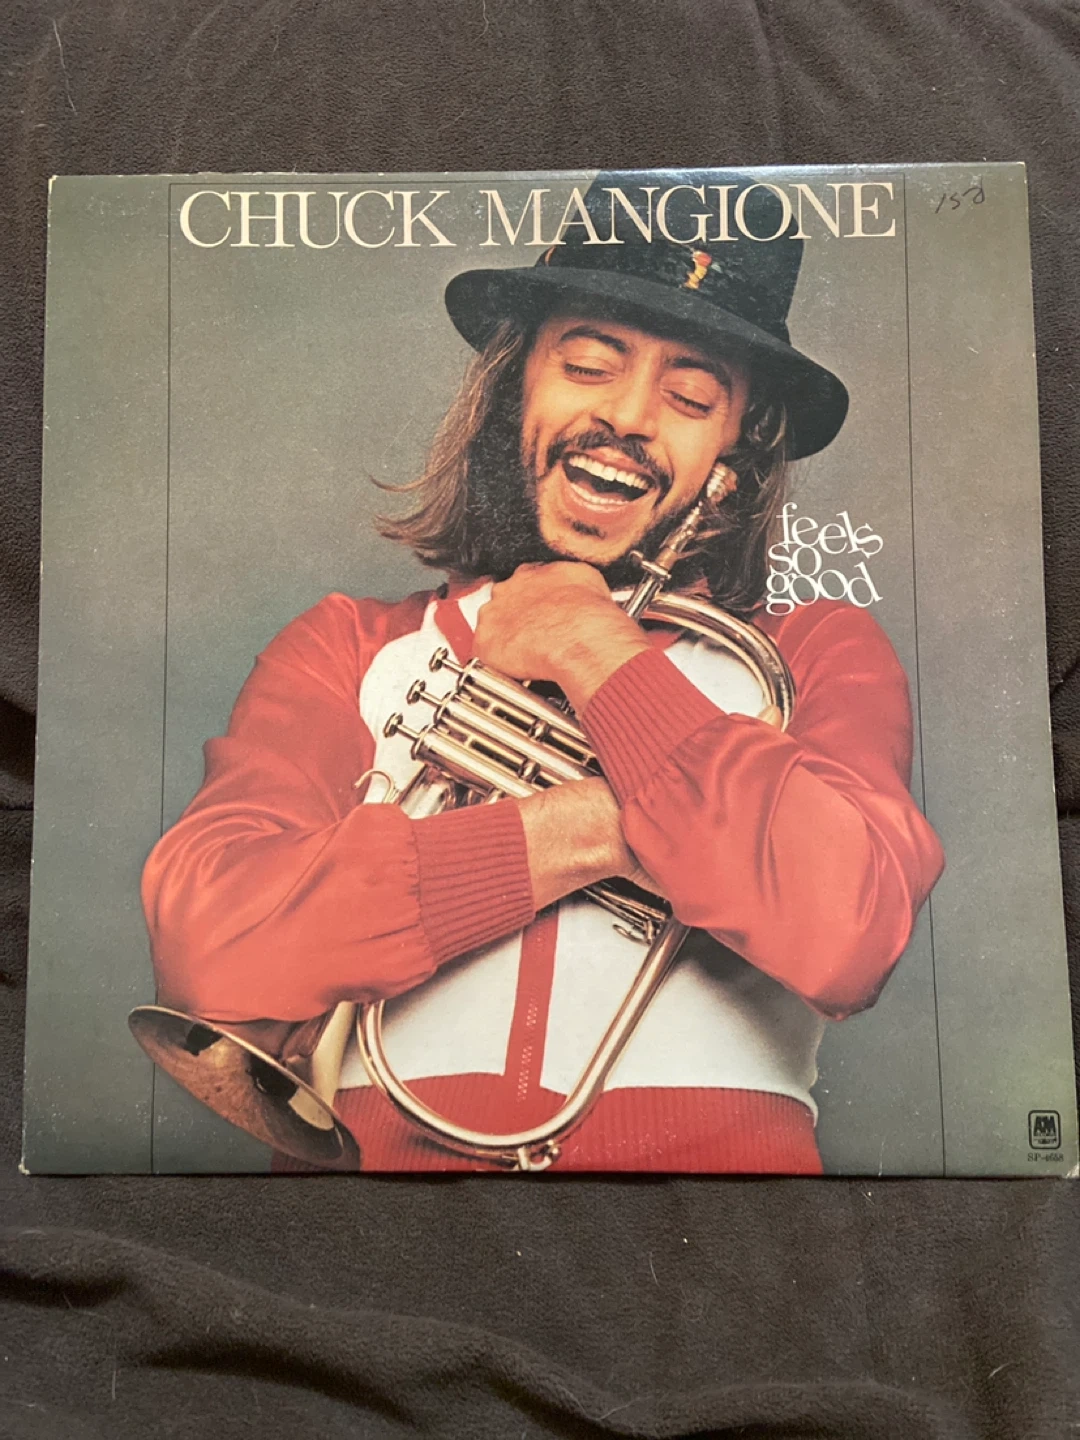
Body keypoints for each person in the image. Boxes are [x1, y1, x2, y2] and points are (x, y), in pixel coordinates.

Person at [141, 174, 944, 1173]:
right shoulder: (347, 644)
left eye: (692, 397)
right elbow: (208, 952)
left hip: (721, 1219)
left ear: (732, 455)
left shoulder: (817, 652)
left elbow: (849, 931)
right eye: (588, 365)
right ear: (512, 384)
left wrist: (589, 645)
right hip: (368, 1204)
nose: (631, 417)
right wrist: (594, 826)